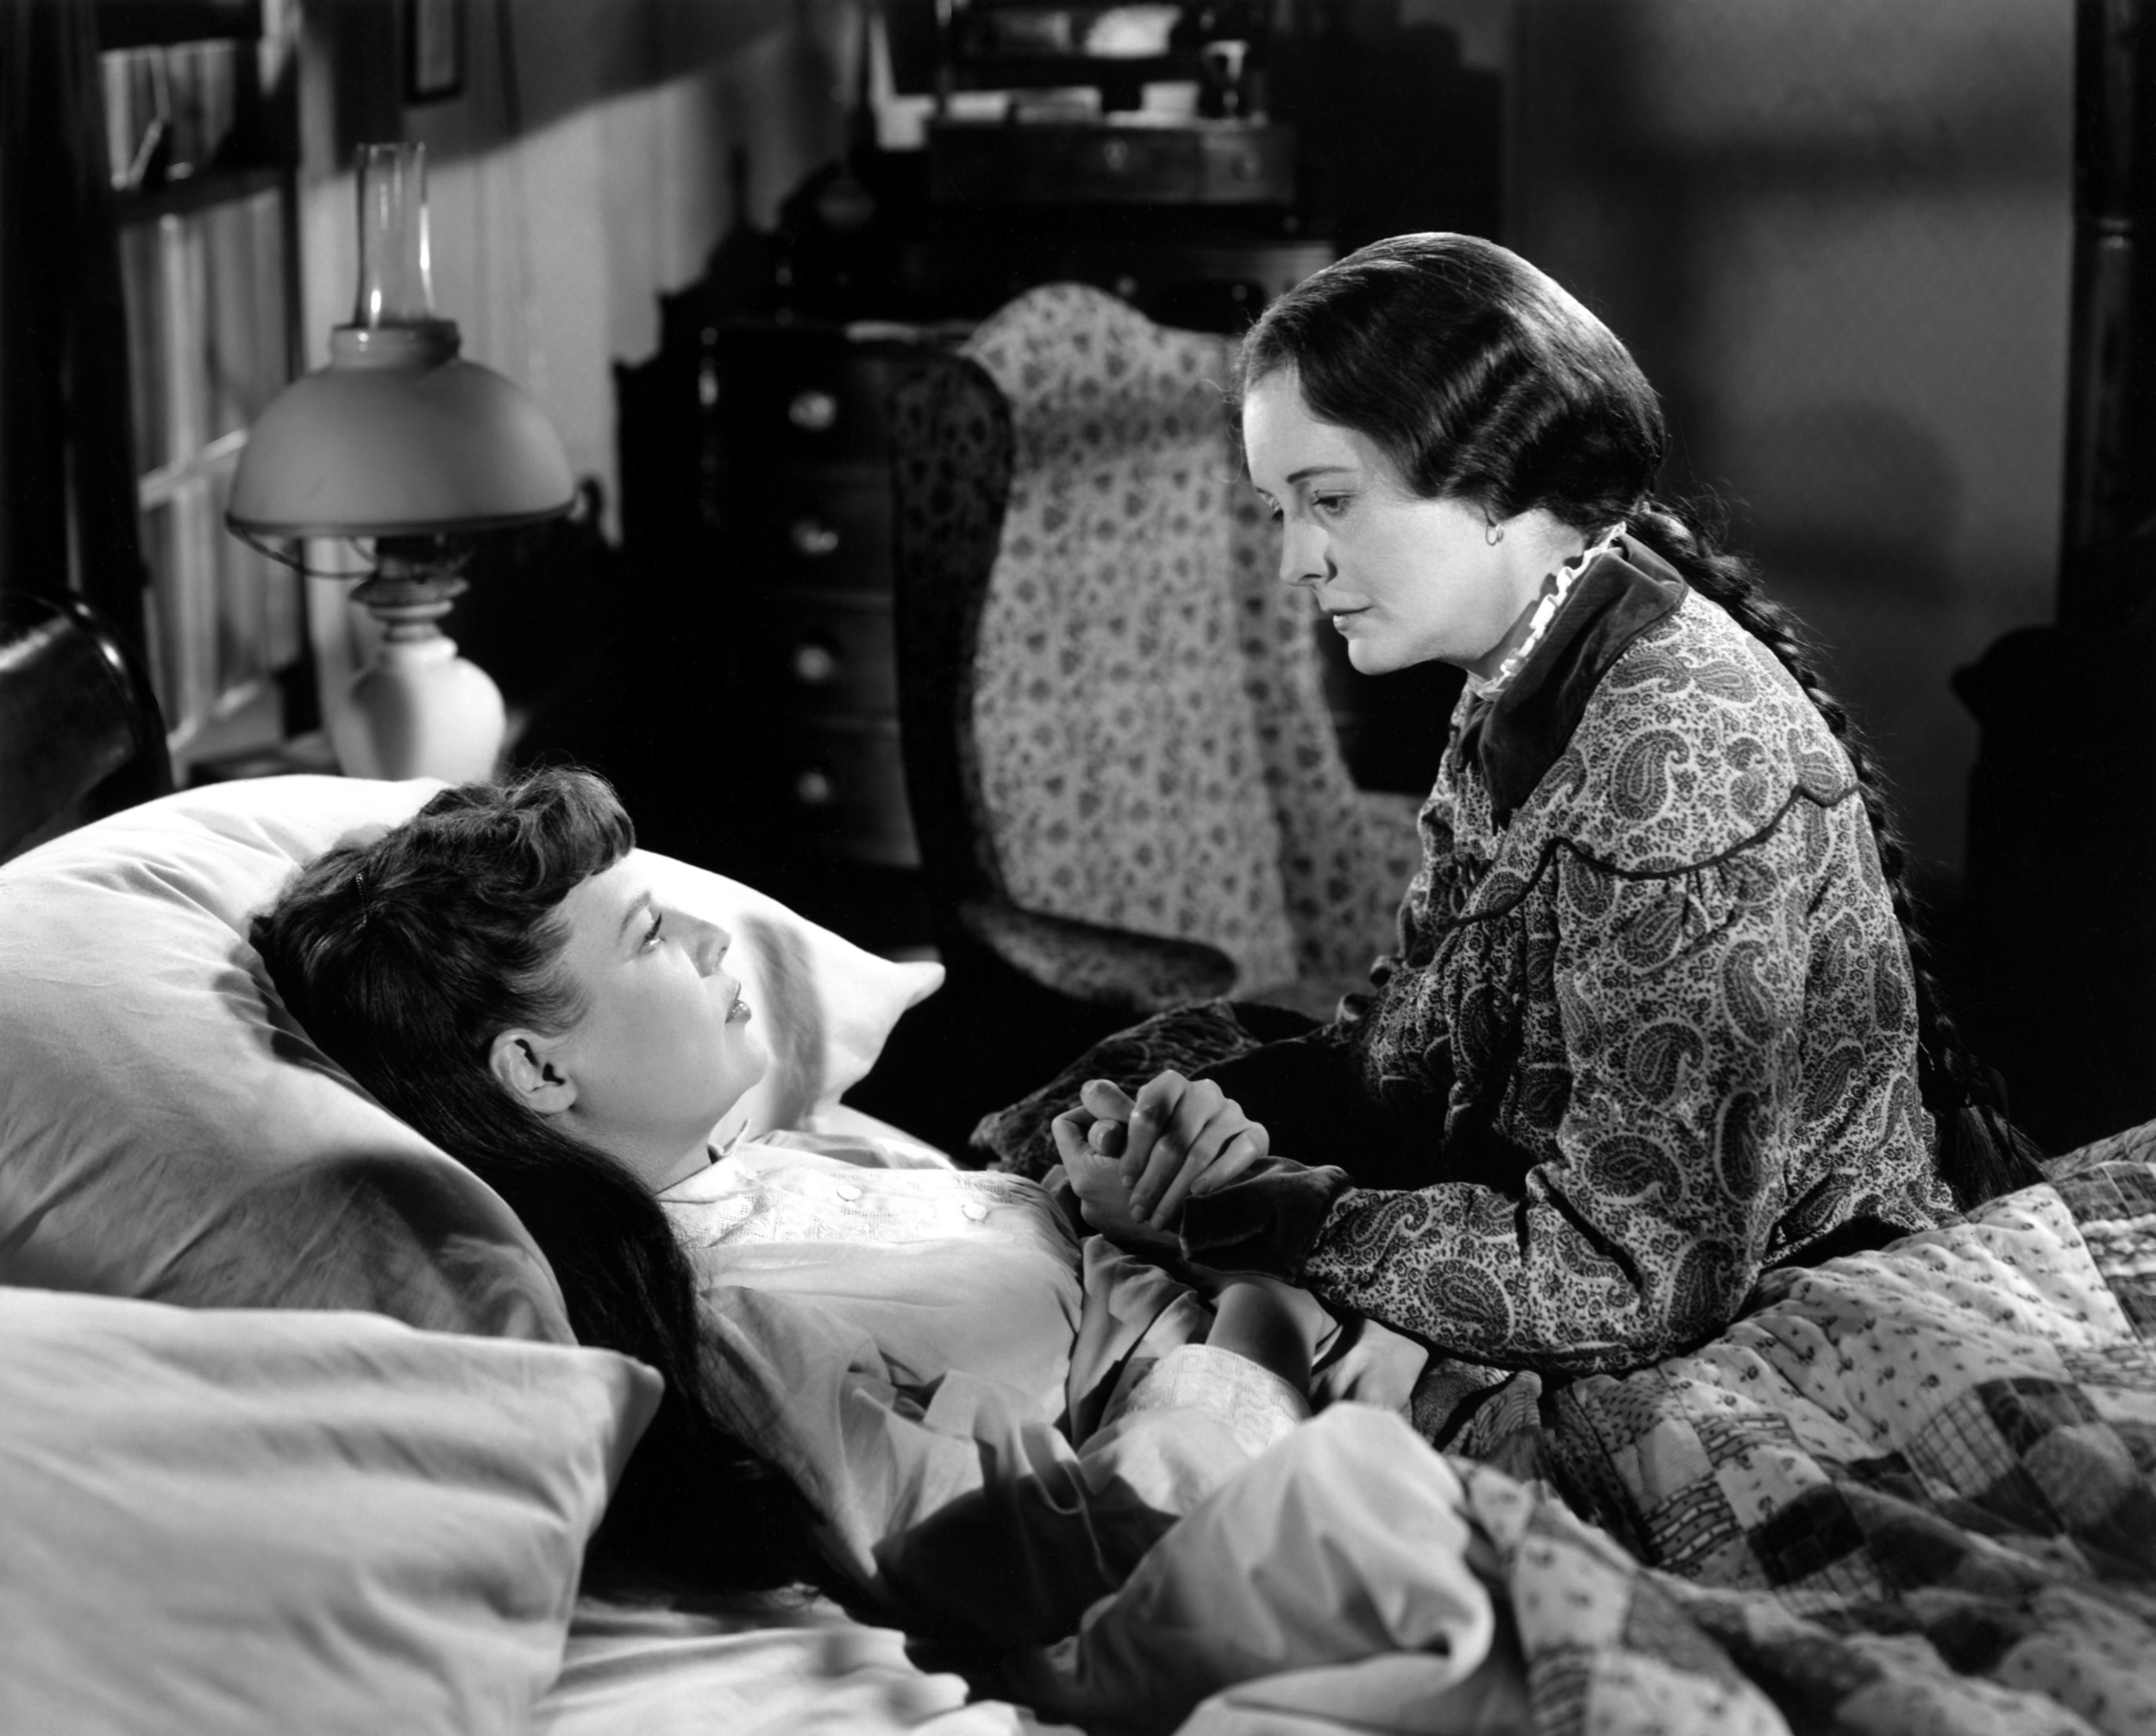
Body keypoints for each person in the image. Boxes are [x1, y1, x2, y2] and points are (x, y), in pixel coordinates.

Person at [1021, 232, 2045, 1401]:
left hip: (1746, 1325)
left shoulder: (1677, 760)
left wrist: (1257, 1214)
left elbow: (1639, 1276)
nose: (1295, 563)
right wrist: (1215, 1134)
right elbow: (1410, 1042)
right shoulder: (1523, 672)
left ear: (1497, 481)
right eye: (1277, 510)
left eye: (1330, 501)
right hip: (1567, 1251)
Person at [247, 766, 1426, 1648]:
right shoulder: (738, 1336)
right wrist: (1255, 1297)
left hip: (1355, 1310)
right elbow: (1080, 1564)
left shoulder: (781, 1160)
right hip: (1358, 1413)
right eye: (652, 937)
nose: (715, 939)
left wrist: (1121, 1208)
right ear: (538, 1070)